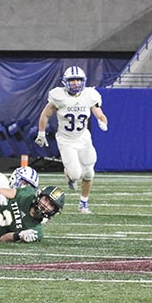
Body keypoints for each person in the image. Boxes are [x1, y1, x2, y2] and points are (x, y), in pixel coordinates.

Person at [35, 66, 108, 214]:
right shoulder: (58, 96)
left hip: (83, 139)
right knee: (75, 174)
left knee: (89, 173)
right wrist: (41, 133)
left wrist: (102, 121)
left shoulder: (89, 95)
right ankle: (68, 174)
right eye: (72, 80)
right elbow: (45, 115)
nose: (75, 83)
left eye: (78, 80)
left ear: (84, 81)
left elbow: (99, 113)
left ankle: (83, 203)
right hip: (66, 140)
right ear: (65, 82)